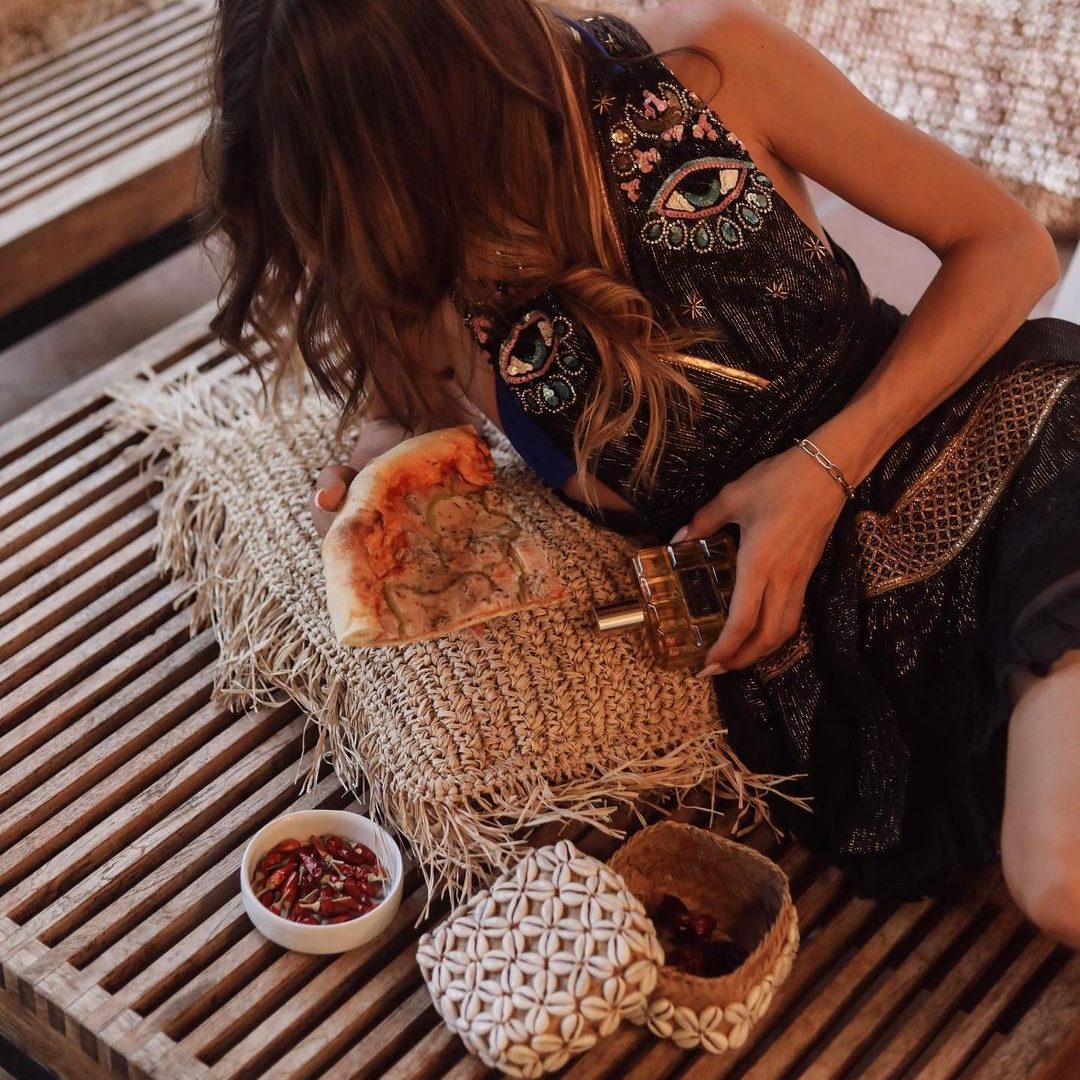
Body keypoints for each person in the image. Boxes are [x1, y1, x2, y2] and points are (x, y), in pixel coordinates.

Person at [199, 0, 1080, 945]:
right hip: (829, 661)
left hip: (1005, 471)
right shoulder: (414, 275)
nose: (386, 201)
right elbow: (401, 416)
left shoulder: (706, 66)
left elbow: (1009, 248)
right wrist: (386, 476)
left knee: (1056, 874)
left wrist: (822, 468)